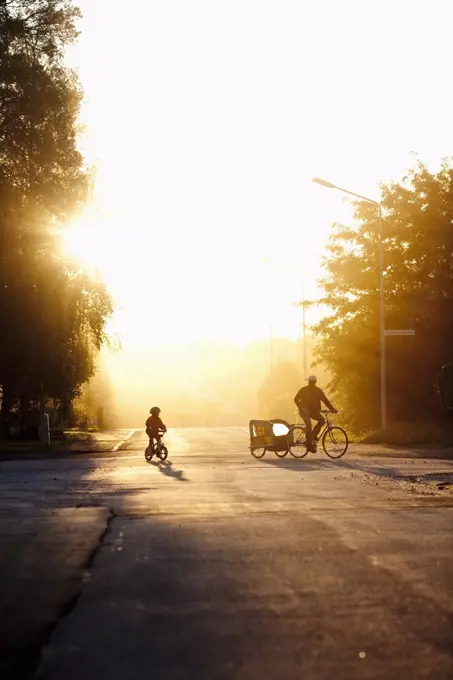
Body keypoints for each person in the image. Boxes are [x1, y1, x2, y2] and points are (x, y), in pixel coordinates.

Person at [294, 376, 337, 452]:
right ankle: (309, 446)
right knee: (309, 425)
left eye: (312, 382)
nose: (310, 383)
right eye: (309, 382)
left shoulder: (318, 391)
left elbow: (325, 400)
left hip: (313, 412)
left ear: (314, 382)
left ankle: (313, 435)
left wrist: (332, 409)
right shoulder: (303, 390)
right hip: (304, 412)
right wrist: (301, 408)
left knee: (322, 420)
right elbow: (296, 399)